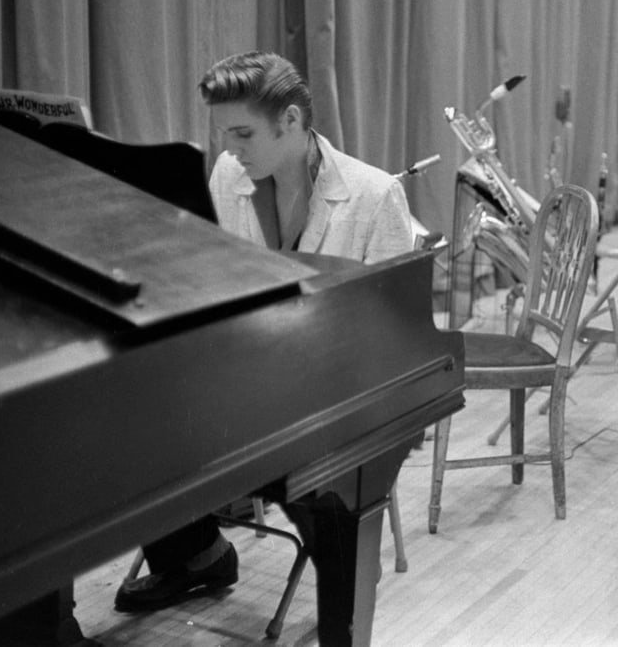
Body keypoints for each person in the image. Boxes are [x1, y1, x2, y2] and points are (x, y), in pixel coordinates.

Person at [113, 51, 416, 643]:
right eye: (223, 133)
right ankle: (198, 557)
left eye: (243, 132)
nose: (229, 149)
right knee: (128, 427)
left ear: (294, 122)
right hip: (248, 387)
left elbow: (393, 342)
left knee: (329, 497)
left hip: (334, 405)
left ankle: (342, 623)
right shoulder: (230, 175)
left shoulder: (375, 197)